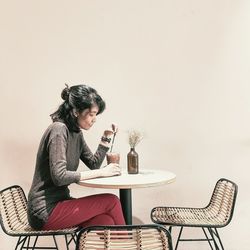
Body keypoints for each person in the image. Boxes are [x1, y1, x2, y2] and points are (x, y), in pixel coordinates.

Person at [27, 84, 126, 230]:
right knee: (111, 201)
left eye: (95, 115)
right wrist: (102, 172)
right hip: (44, 211)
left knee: (105, 220)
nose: (94, 119)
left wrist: (106, 138)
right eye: (91, 114)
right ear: (75, 111)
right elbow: (59, 176)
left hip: (61, 203)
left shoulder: (76, 133)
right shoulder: (58, 130)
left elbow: (93, 164)